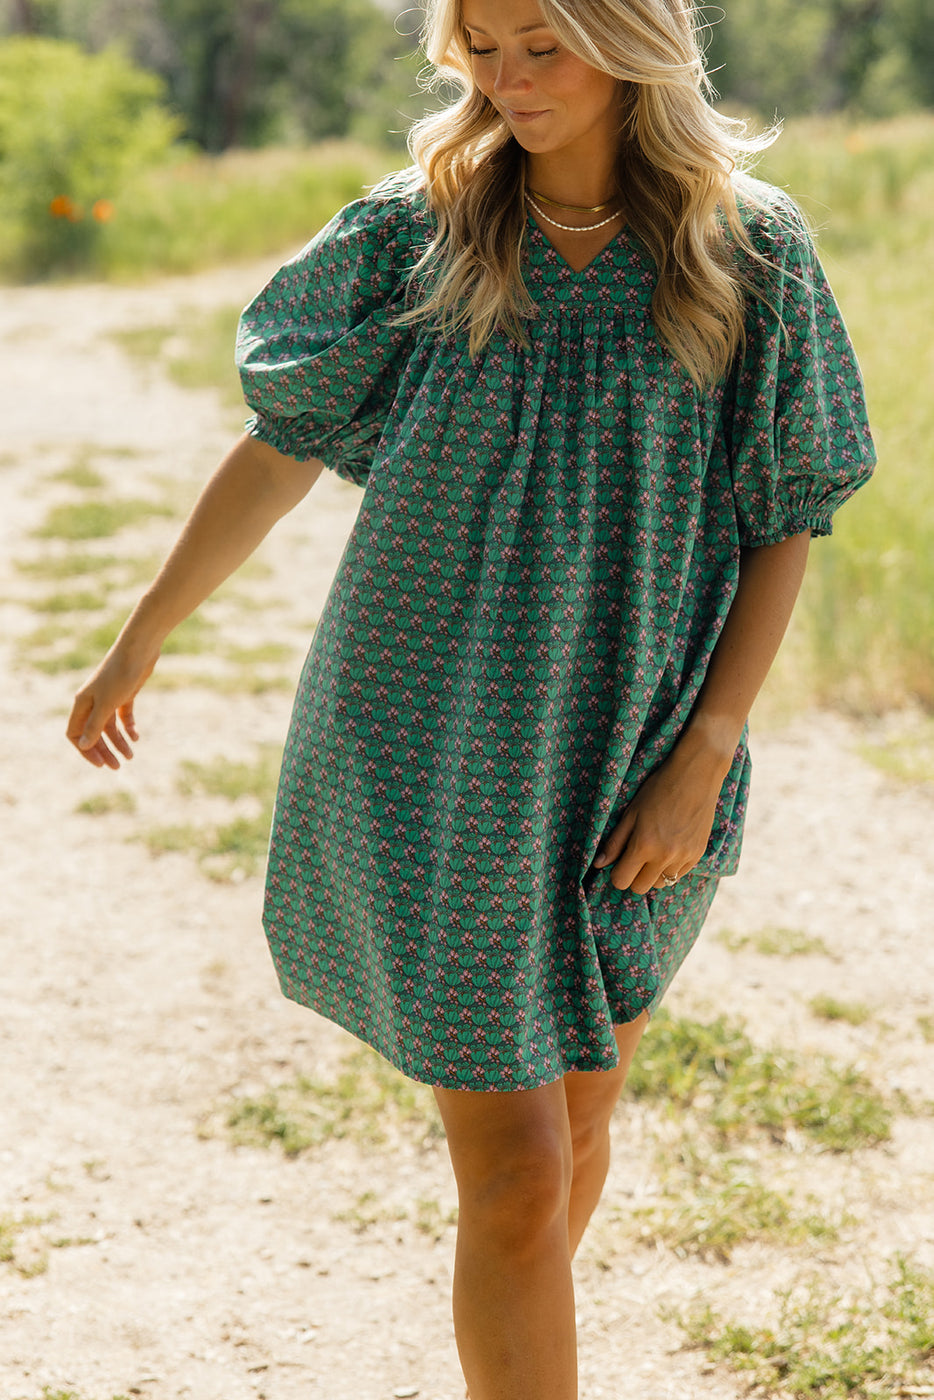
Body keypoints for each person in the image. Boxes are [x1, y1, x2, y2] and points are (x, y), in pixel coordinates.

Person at [67, 0, 875, 1395]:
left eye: (536, 44)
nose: (504, 77)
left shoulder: (750, 248)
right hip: (426, 738)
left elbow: (782, 516)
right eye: (481, 45)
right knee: (513, 1178)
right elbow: (282, 448)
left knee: (578, 1116)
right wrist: (144, 634)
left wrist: (707, 750)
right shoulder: (416, 230)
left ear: (628, 42)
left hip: (638, 743)